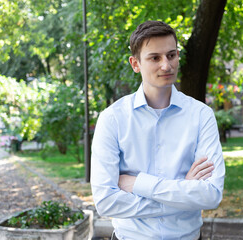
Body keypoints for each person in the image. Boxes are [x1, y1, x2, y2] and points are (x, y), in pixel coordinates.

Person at [91, 20, 225, 240]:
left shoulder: (201, 115)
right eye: (155, 58)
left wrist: (138, 184)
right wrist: (183, 193)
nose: (166, 65)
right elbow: (106, 202)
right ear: (135, 64)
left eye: (172, 55)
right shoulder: (112, 119)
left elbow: (211, 195)